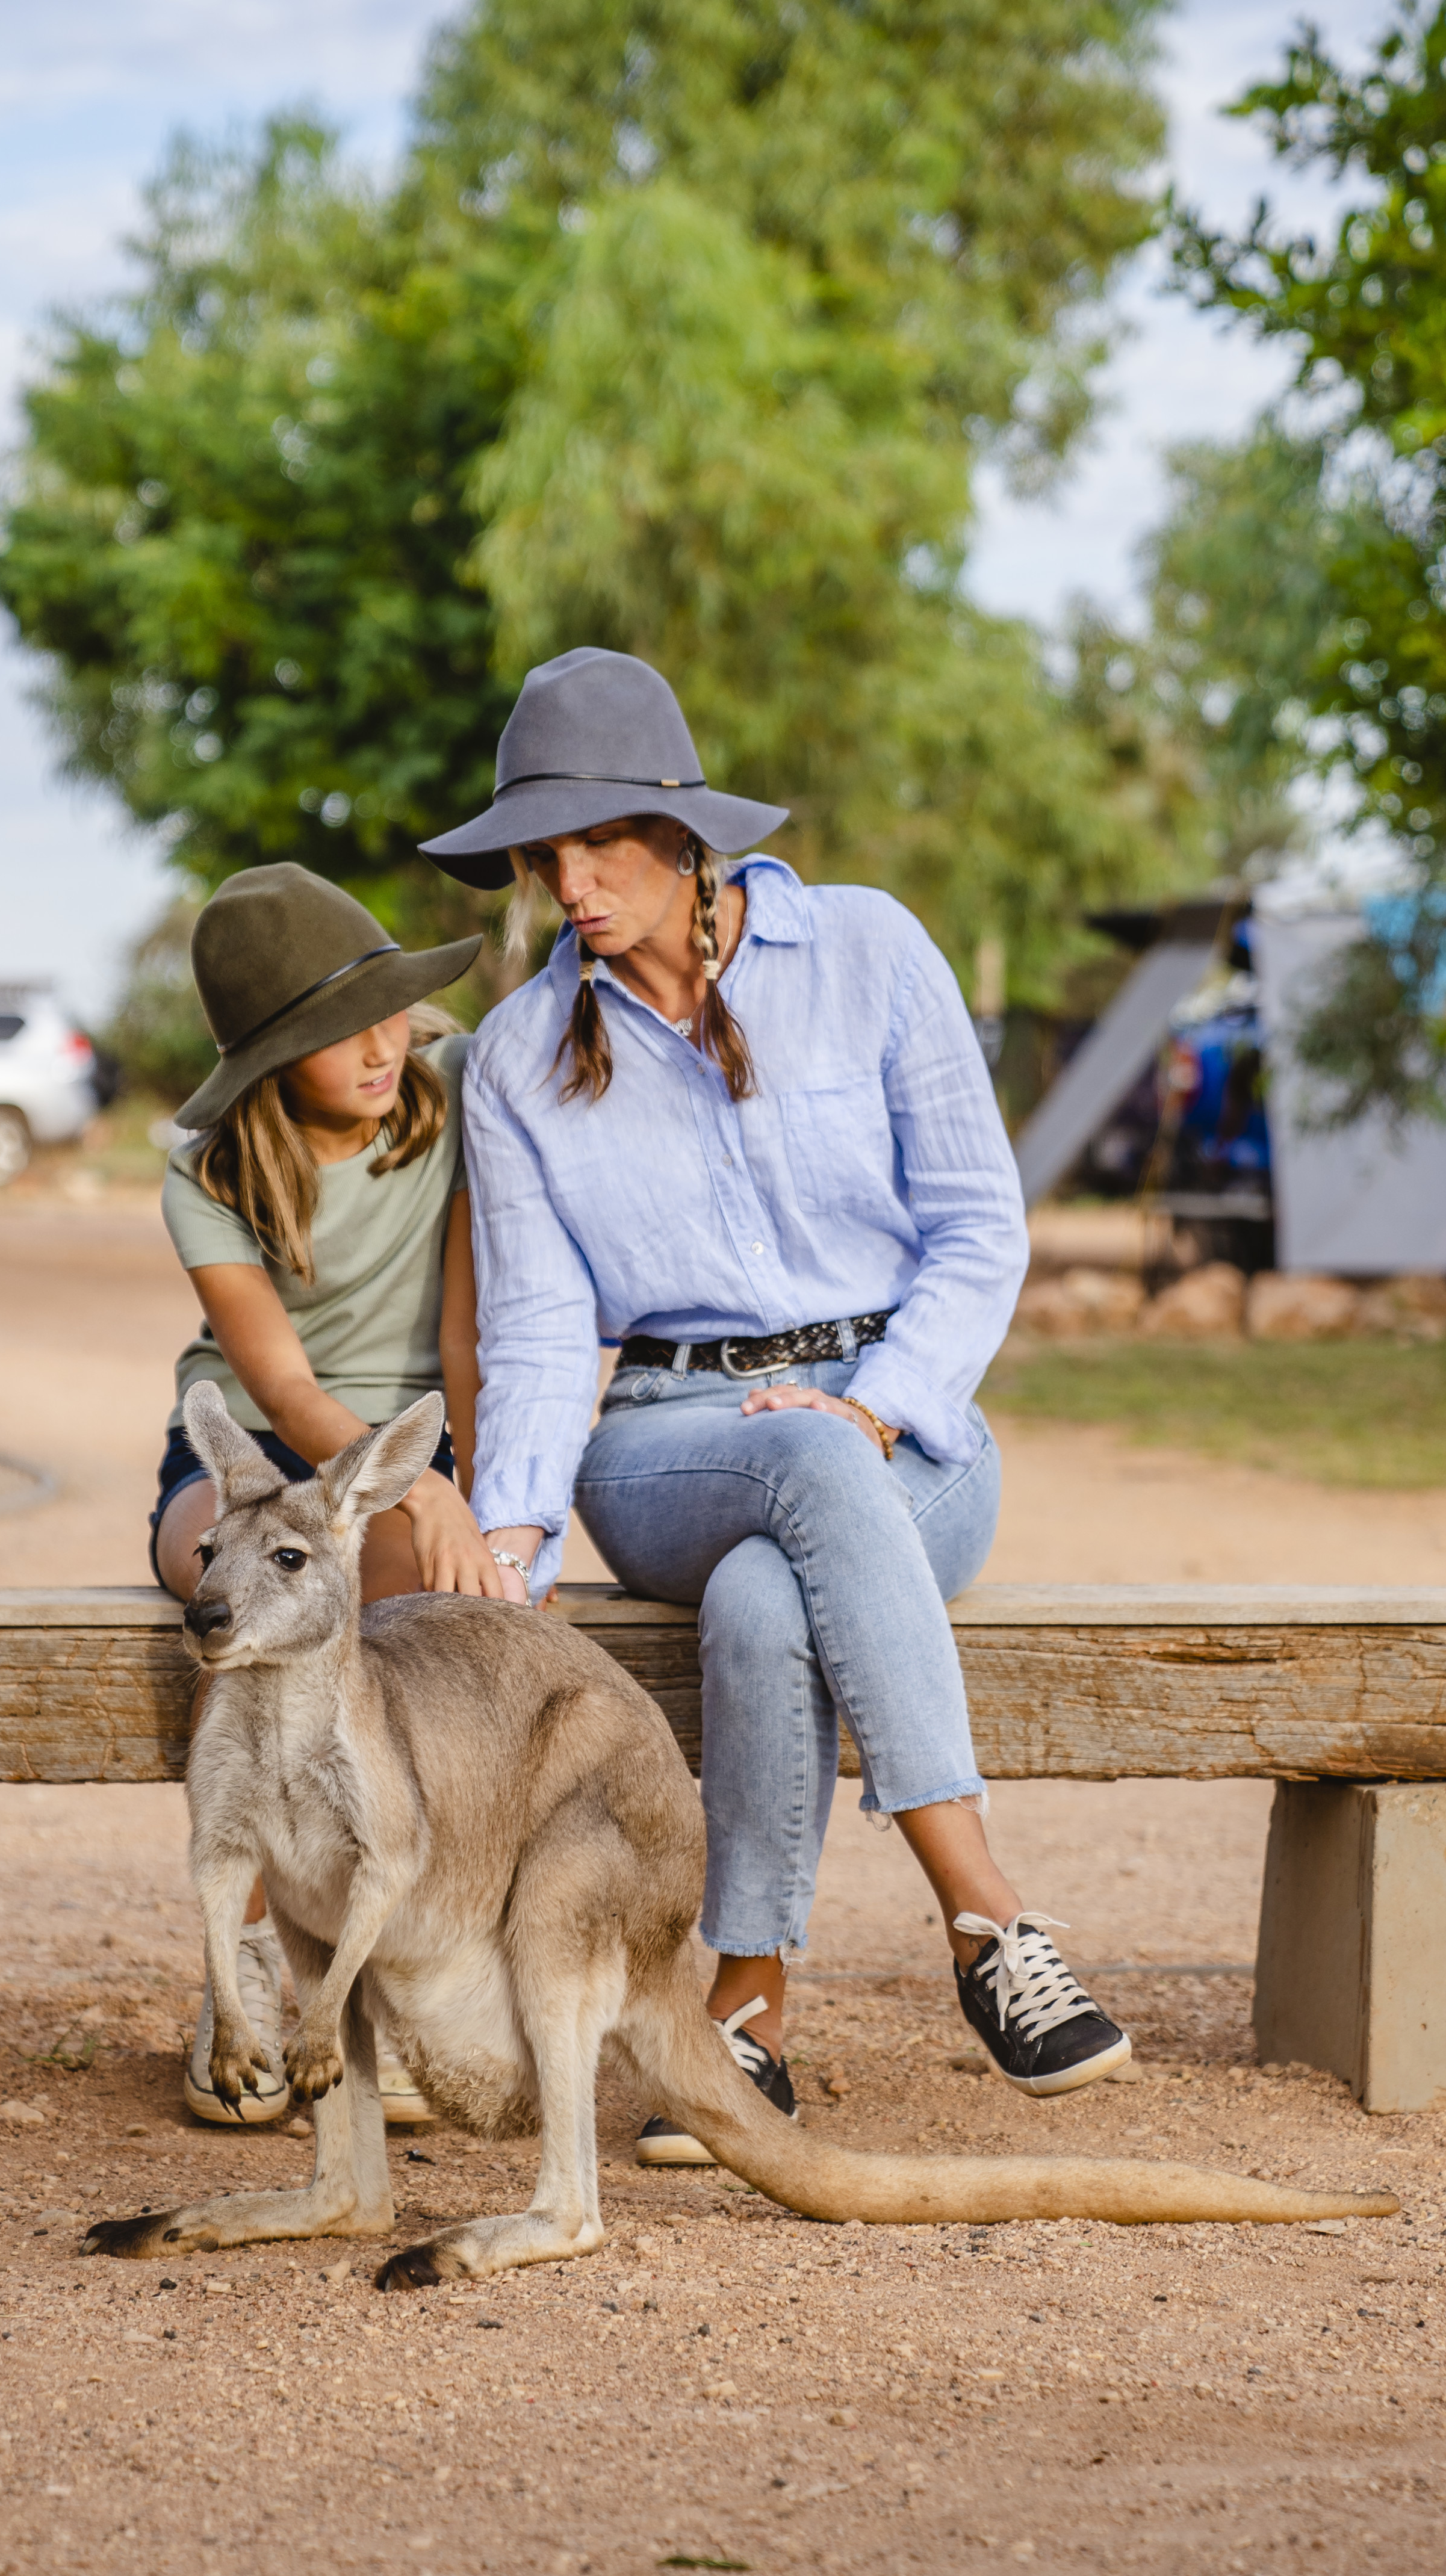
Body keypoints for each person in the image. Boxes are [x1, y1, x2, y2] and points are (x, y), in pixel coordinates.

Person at [424, 649, 1128, 2165]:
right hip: (666, 1443)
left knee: (766, 1599)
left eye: (598, 844)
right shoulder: (518, 1055)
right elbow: (544, 1331)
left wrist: (876, 1406)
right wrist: (512, 1543)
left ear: (685, 837)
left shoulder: (870, 952)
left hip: (904, 1434)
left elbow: (974, 1227)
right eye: (544, 855)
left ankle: (736, 2016)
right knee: (782, 1479)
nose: (570, 884)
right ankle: (985, 1918)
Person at [148, 861, 506, 2126]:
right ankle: (245, 1965)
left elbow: (466, 1334)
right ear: (264, 1064)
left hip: (405, 1449)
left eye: (391, 1009)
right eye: (332, 1033)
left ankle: (395, 1979)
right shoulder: (204, 1176)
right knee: (227, 1592)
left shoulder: (454, 1094)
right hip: (250, 1450)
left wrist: (458, 1486)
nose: (379, 1044)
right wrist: (386, 1498)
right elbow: (285, 1389)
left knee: (403, 1606)